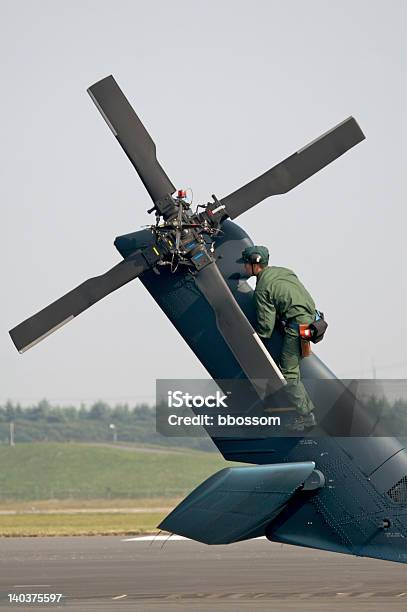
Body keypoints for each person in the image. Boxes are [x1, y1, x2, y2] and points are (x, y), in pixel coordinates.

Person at [240, 245, 317, 431]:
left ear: (254, 264)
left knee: (288, 373)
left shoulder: (262, 288)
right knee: (293, 368)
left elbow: (265, 328)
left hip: (298, 326)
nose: (243, 267)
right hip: (313, 320)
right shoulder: (284, 272)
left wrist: (253, 341)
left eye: (245, 263)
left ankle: (306, 416)